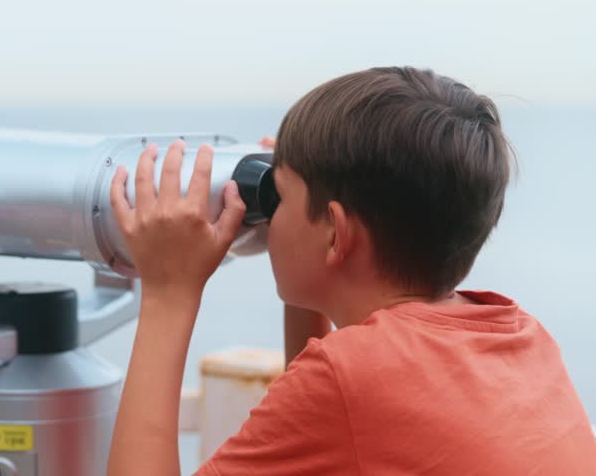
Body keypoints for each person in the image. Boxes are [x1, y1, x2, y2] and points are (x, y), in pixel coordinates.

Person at [106, 66, 596, 475]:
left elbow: (337, 393)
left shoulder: (350, 377)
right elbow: (329, 433)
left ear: (336, 234)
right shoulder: (522, 337)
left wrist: (169, 291)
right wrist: (302, 197)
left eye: (280, 197)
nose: (269, 214)